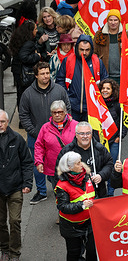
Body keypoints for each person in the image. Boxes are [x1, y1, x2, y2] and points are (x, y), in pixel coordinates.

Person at [19, 61, 71, 204]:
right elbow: (23, 114)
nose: (46, 76)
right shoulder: (27, 94)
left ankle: (60, 186)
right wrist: (33, 131)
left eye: (47, 73)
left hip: (57, 136)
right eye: (42, 73)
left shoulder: (59, 90)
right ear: (36, 75)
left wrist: (64, 128)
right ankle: (41, 191)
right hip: (35, 136)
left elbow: (67, 109)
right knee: (38, 163)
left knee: (57, 160)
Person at [0, 109, 33, 261]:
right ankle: (5, 249)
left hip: (15, 188)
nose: (0, 124)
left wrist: (27, 183)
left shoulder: (17, 139)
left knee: (15, 221)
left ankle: (14, 253)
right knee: (0, 223)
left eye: (2, 121)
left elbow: (27, 162)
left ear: (7, 122)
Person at [56, 35, 109, 121]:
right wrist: (67, 99)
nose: (84, 53)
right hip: (72, 108)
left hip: (91, 109)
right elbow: (60, 81)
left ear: (91, 49)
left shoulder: (98, 62)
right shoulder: (68, 61)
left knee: (88, 134)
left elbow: (105, 81)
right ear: (77, 48)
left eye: (87, 50)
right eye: (82, 49)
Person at [55, 151, 96, 261]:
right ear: (69, 167)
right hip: (71, 227)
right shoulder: (61, 186)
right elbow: (63, 207)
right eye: (78, 163)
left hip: (89, 222)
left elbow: (95, 195)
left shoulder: (87, 177)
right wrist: (82, 205)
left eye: (80, 162)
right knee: (74, 253)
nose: (81, 165)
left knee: (92, 251)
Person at [56, 122, 113, 198]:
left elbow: (109, 163)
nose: (85, 136)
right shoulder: (67, 152)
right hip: (75, 196)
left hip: (99, 192)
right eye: (82, 134)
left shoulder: (100, 149)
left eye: (88, 133)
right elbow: (59, 173)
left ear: (92, 134)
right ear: (76, 135)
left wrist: (101, 175)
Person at [34, 100, 78, 193]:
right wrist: (39, 162)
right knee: (60, 196)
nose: (57, 115)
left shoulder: (76, 126)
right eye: (54, 112)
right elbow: (39, 146)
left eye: (60, 112)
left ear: (65, 112)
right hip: (54, 169)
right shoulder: (45, 128)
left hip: (73, 168)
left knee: (74, 195)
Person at [93, 9, 128, 83]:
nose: (113, 23)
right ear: (107, 21)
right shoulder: (99, 34)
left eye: (115, 20)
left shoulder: (127, 34)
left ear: (119, 21)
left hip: (123, 75)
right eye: (110, 20)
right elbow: (94, 52)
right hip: (105, 74)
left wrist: (127, 47)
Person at [8, 20, 41, 108]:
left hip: (17, 71)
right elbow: (24, 57)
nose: (36, 30)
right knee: (25, 95)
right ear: (30, 31)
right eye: (35, 29)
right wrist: (37, 56)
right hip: (24, 74)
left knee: (20, 94)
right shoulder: (29, 43)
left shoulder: (20, 39)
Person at [98, 79, 127, 171]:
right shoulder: (96, 103)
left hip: (114, 140)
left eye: (108, 88)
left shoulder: (118, 104)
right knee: (100, 165)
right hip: (100, 140)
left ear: (113, 90)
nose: (105, 90)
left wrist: (119, 137)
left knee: (112, 165)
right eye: (103, 88)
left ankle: (111, 186)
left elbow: (124, 123)